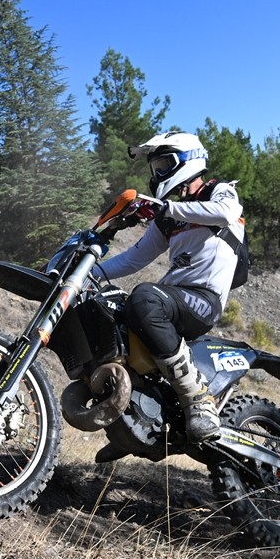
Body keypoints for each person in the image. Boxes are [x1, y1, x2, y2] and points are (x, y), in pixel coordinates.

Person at [93, 131, 244, 445]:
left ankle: (197, 396)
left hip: (203, 300)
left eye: (164, 163)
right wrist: (86, 273)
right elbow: (134, 258)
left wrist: (169, 209)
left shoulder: (219, 191)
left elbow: (227, 214)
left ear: (188, 161)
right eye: (155, 166)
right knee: (110, 311)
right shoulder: (169, 217)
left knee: (144, 297)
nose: (157, 173)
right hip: (174, 298)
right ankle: (133, 425)